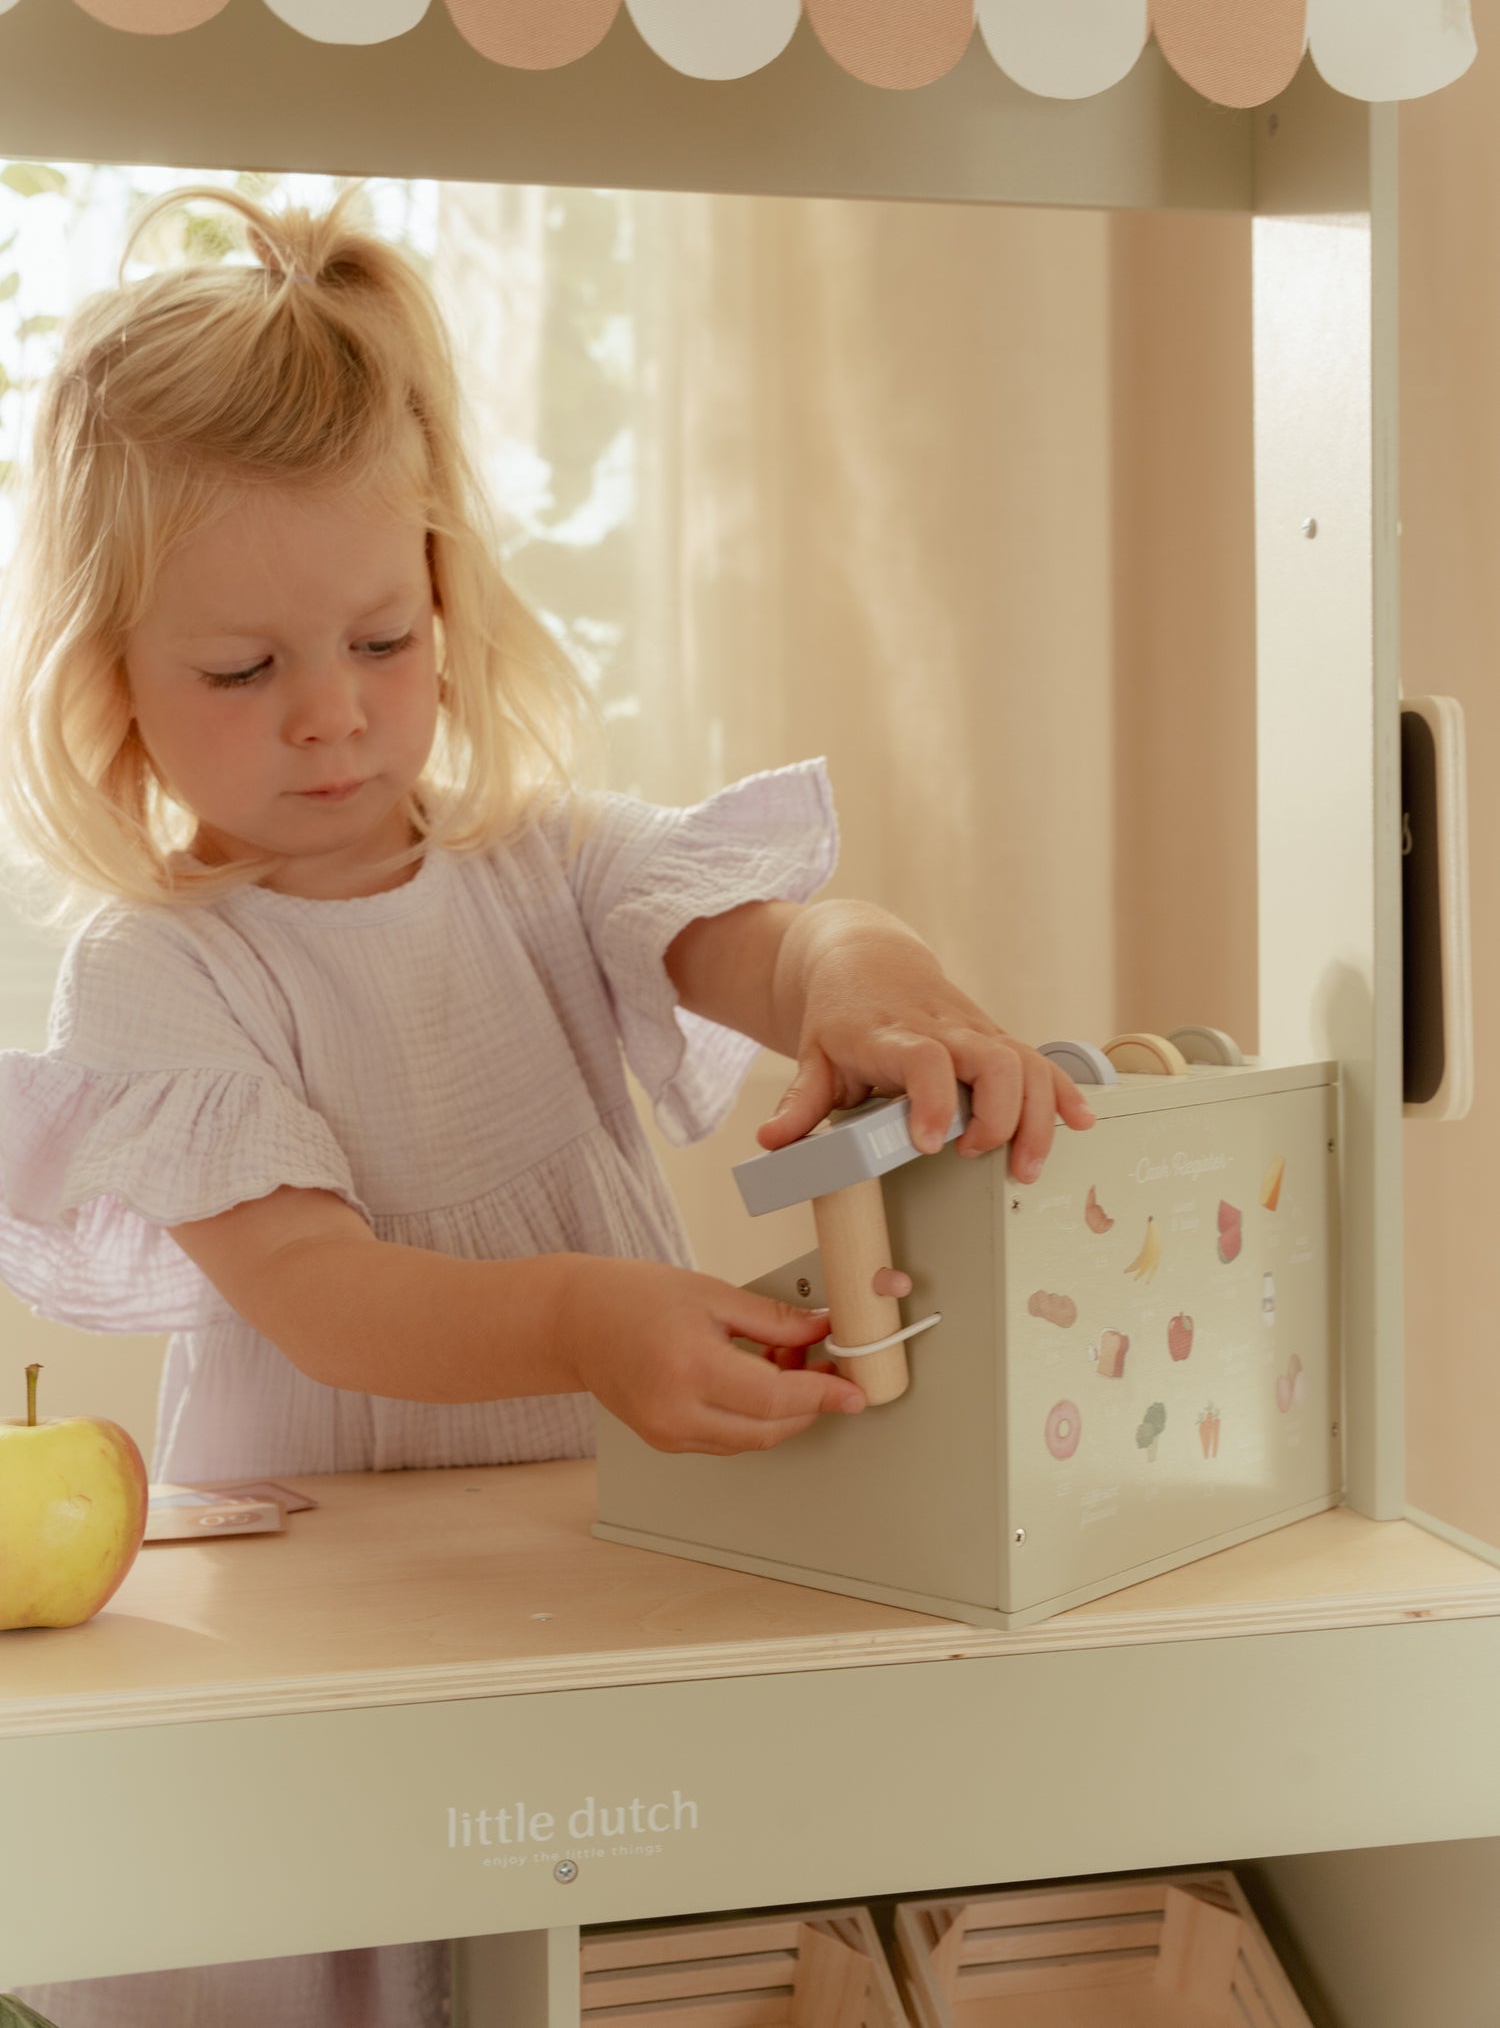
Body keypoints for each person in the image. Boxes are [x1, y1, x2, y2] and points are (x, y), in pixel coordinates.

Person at [0, 184, 1093, 2028]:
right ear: (114, 689)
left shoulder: (552, 868)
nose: (333, 717)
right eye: (245, 670)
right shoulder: (157, 972)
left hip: (606, 1573)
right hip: (342, 1633)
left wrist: (867, 982)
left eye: (382, 637)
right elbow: (324, 1290)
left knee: (641, 1956)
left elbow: (777, 935)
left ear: (447, 594)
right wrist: (589, 1316)